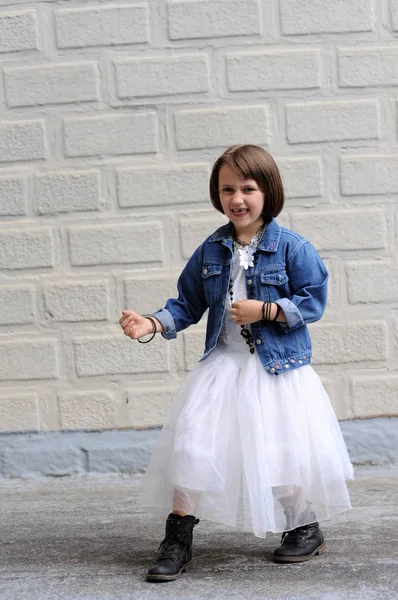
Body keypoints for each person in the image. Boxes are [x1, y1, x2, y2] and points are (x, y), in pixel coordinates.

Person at [119, 144, 353, 583]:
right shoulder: (211, 250)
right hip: (223, 365)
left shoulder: (293, 247)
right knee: (193, 442)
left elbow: (313, 300)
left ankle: (302, 524)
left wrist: (266, 311)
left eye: (248, 188)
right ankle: (178, 537)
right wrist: (151, 322)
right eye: (227, 189)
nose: (237, 199)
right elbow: (186, 303)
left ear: (268, 192)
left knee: (280, 447)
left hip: (276, 369)